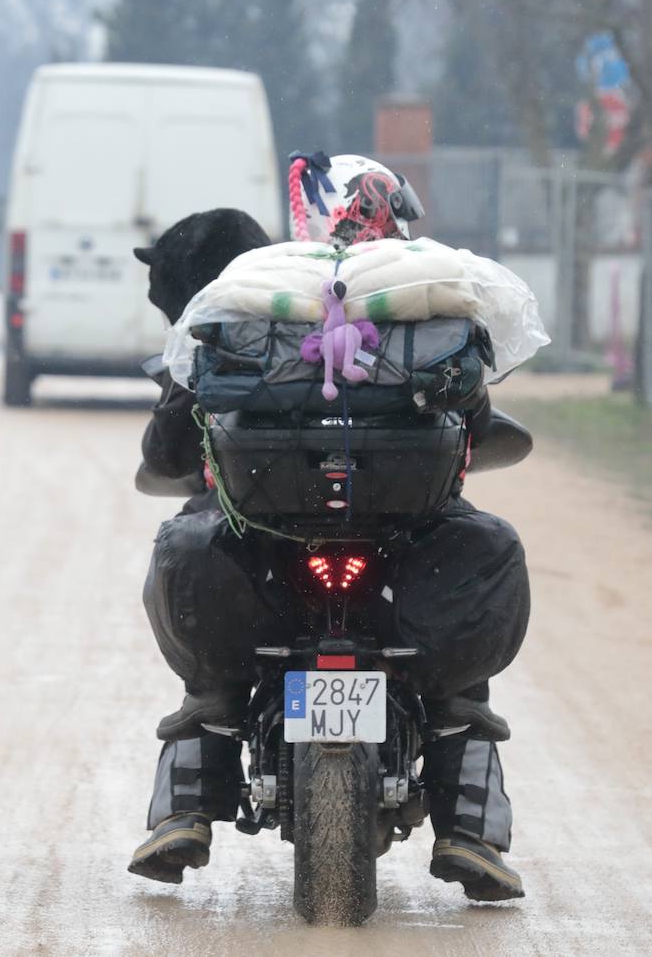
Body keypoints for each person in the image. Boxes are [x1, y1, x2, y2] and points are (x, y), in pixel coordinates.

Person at [127, 155, 531, 903]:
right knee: (459, 671)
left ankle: (187, 804)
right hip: (403, 545)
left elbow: (175, 440)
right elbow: (477, 415)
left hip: (269, 541)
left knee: (210, 670)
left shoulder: (255, 307)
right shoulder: (423, 310)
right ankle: (469, 827)